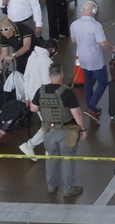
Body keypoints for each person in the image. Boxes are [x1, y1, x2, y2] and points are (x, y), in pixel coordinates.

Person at [30, 63, 86, 198]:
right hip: (66, 132)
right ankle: (69, 189)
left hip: (48, 131)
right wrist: (83, 129)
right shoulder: (67, 92)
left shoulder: (41, 91)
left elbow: (33, 108)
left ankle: (51, 186)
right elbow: (77, 114)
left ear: (49, 76)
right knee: (68, 159)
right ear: (62, 75)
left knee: (51, 158)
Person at [69, 1, 115, 120]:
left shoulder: (74, 24)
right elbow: (103, 43)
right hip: (95, 60)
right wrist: (112, 48)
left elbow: (73, 41)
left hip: (83, 59)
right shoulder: (96, 25)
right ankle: (90, 108)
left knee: (88, 82)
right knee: (103, 82)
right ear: (94, 11)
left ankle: (92, 107)